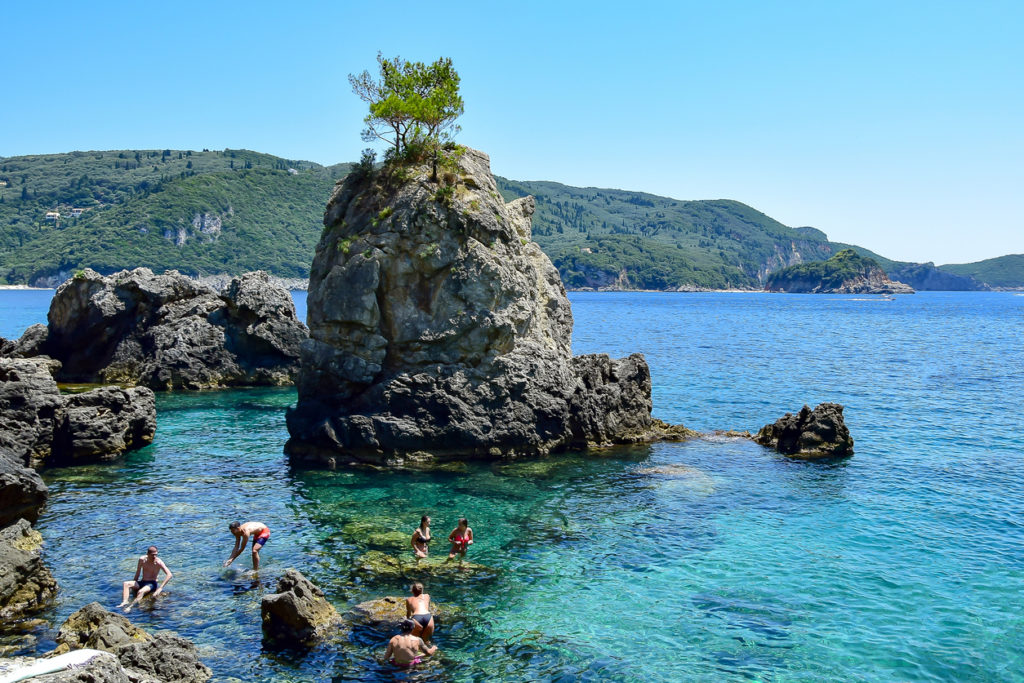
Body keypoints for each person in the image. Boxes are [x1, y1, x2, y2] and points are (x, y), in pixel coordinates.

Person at [118, 545, 172, 613]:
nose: (154, 557)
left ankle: (130, 606)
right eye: (152, 555)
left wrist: (160, 588)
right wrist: (134, 584)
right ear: (148, 554)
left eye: (156, 555)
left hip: (152, 584)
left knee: (141, 591)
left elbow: (169, 574)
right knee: (126, 583)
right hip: (143, 581)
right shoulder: (142, 560)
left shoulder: (158, 562)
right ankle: (125, 601)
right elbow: (138, 572)